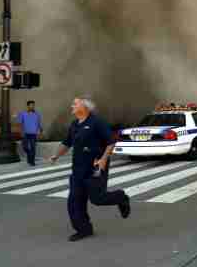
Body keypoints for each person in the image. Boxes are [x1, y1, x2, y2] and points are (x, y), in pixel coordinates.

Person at [49, 96, 131, 242]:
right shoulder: (74, 124)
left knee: (97, 198)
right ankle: (84, 229)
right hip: (78, 170)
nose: (72, 106)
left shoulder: (97, 122)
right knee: (74, 202)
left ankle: (121, 198)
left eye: (75, 103)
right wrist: (56, 155)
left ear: (84, 107)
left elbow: (110, 141)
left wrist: (104, 159)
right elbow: (66, 143)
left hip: (95, 168)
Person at [17, 100, 43, 166]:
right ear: (28, 106)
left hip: (33, 134)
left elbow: (39, 123)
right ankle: (29, 155)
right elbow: (20, 124)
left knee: (33, 148)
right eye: (31, 105)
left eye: (33, 105)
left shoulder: (37, 114)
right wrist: (21, 132)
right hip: (25, 133)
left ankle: (32, 161)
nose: (32, 106)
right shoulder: (22, 114)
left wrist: (40, 132)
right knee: (25, 147)